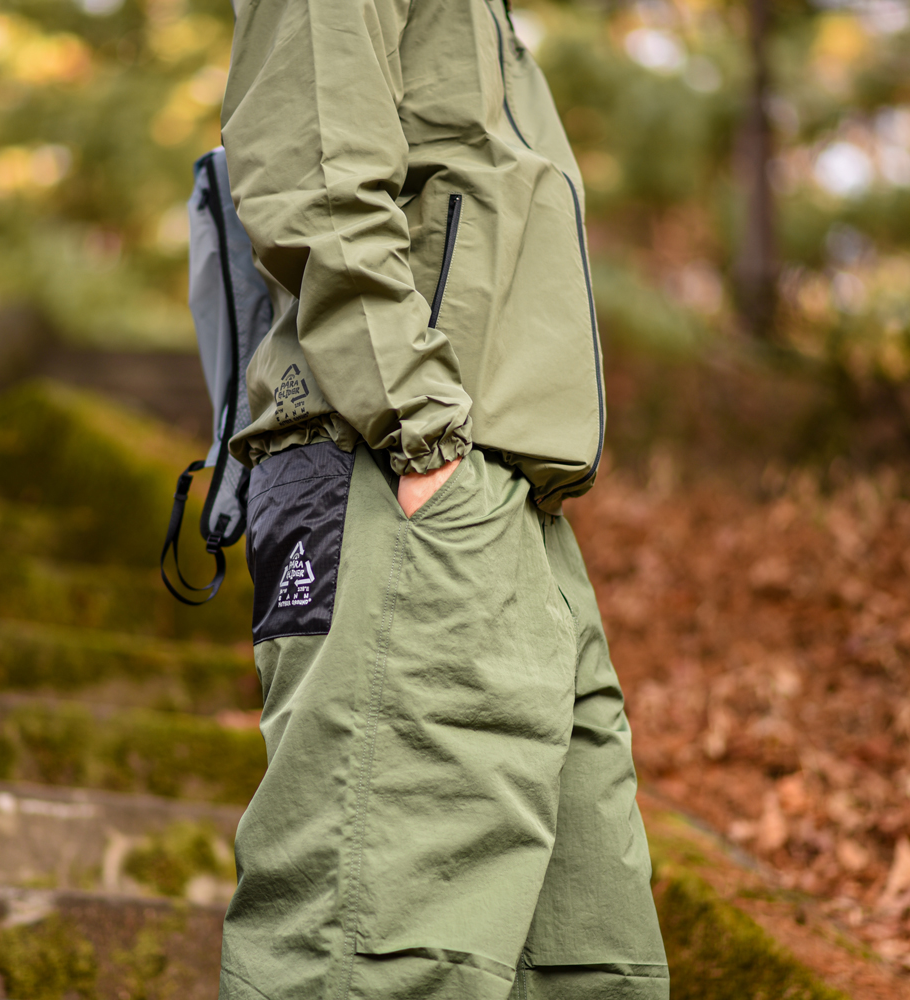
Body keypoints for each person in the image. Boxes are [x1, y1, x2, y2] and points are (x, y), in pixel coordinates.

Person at [217, 0, 668, 997]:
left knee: (591, 960)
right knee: (374, 956)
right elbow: (315, 176)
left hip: (509, 504)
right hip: (401, 470)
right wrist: (423, 436)